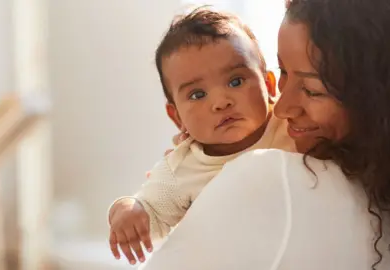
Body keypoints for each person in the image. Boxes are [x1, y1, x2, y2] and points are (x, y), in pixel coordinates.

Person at [140, 0, 390, 269]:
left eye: (312, 89)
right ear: (175, 116)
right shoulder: (389, 189)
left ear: (377, 101)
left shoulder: (268, 173)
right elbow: (152, 209)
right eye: (284, 72)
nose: (280, 107)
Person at [107, 7, 294, 265]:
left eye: (236, 81)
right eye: (197, 94)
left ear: (269, 85)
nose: (220, 102)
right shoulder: (182, 167)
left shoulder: (291, 124)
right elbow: (150, 210)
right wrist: (126, 210)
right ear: (177, 117)